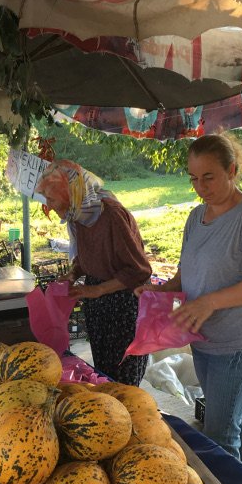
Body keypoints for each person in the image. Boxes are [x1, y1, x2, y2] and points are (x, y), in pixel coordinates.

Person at [135, 134, 242, 472]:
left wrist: (210, 303)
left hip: (239, 344)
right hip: (204, 341)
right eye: (194, 178)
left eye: (209, 177)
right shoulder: (196, 218)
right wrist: (159, 292)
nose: (201, 187)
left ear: (232, 170)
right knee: (232, 417)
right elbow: (186, 277)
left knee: (220, 433)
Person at [35, 160, 152, 386]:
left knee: (123, 380)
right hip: (98, 303)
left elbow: (140, 270)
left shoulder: (112, 215)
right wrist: (72, 273)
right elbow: (85, 255)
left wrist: (98, 290)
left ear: (71, 194)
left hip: (124, 304)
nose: (48, 206)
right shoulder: (78, 214)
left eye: (51, 199)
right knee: (103, 374)